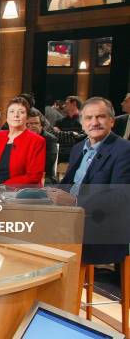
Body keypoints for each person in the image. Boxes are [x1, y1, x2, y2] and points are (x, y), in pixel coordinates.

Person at [53, 97, 130, 265]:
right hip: (70, 219)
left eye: (100, 117)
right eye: (88, 118)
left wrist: (75, 201)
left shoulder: (124, 150)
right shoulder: (78, 148)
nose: (94, 122)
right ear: (82, 123)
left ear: (111, 121)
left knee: (48, 245)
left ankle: (65, 289)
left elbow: (121, 197)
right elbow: (66, 186)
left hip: (101, 225)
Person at [0, 97, 45, 186]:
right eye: (12, 111)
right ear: (7, 117)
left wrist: (3, 187)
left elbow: (34, 176)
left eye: (21, 112)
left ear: (27, 118)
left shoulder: (37, 141)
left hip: (21, 192)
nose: (16, 115)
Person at [26, 109, 59, 184]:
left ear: (41, 125)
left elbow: (48, 164)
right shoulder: (21, 138)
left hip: (45, 176)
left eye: (36, 123)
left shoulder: (50, 139)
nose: (33, 126)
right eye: (30, 124)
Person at [54, 95, 84, 162]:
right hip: (61, 155)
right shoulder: (59, 121)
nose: (64, 106)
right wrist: (73, 134)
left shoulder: (84, 121)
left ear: (74, 104)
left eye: (66, 103)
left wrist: (61, 134)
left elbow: (82, 138)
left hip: (78, 155)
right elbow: (55, 137)